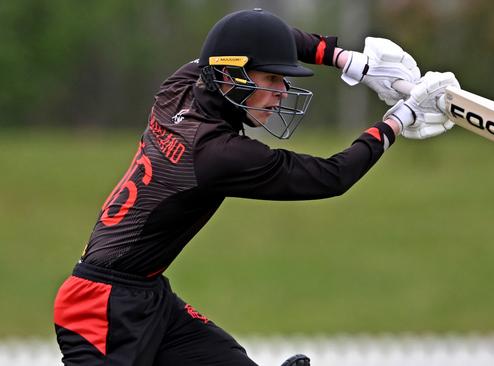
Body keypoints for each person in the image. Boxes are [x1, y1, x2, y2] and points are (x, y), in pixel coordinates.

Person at [52, 8, 459, 366]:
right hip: (99, 308)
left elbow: (259, 34)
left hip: (144, 294)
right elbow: (332, 176)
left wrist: (350, 61)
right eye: (271, 80)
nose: (281, 94)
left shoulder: (179, 88)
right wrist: (399, 118)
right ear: (230, 78)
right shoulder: (217, 155)